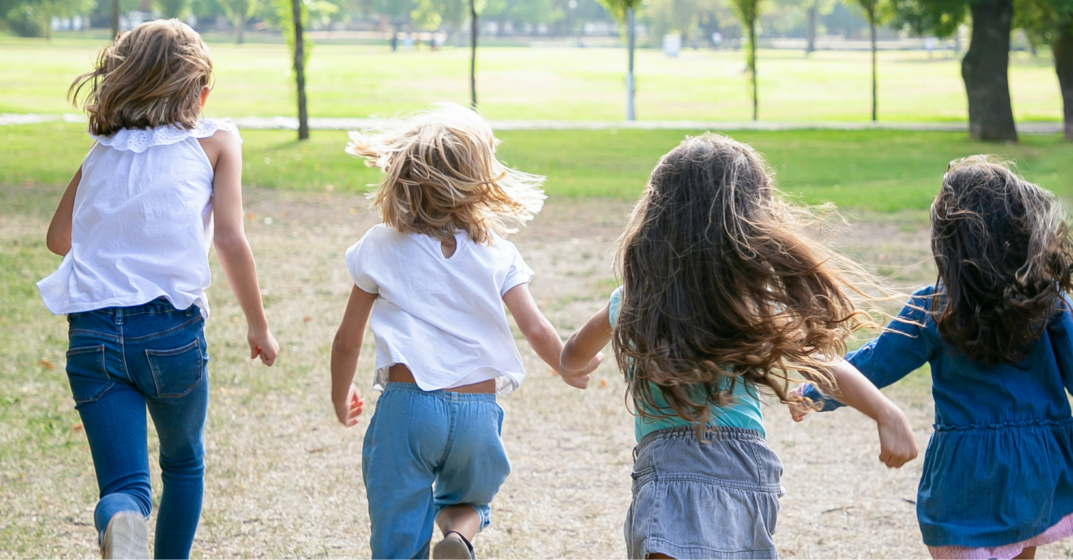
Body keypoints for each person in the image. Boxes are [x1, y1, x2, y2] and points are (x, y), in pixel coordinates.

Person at [560, 133, 918, 560]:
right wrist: (885, 411)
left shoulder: (634, 299)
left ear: (656, 219)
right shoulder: (750, 299)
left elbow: (573, 353)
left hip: (670, 471)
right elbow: (824, 363)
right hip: (746, 469)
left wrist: (573, 366)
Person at [38, 19, 279, 560]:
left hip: (94, 336)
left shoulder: (101, 151)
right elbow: (232, 240)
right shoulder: (216, 142)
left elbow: (58, 240)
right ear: (199, 90)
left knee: (125, 487)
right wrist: (259, 326)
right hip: (170, 332)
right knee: (183, 462)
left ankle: (122, 521)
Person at [330, 103, 602, 560]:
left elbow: (347, 339)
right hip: (477, 411)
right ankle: (459, 538)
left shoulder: (380, 244)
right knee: (468, 503)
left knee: (398, 532)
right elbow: (534, 326)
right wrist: (565, 364)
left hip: (408, 409)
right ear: (479, 183)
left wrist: (341, 396)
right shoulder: (497, 250)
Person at [796, 157, 1073, 560]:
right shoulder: (1047, 301)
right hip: (1038, 465)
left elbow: (876, 363)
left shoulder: (935, 307)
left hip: (968, 476)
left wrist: (812, 392)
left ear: (949, 242)